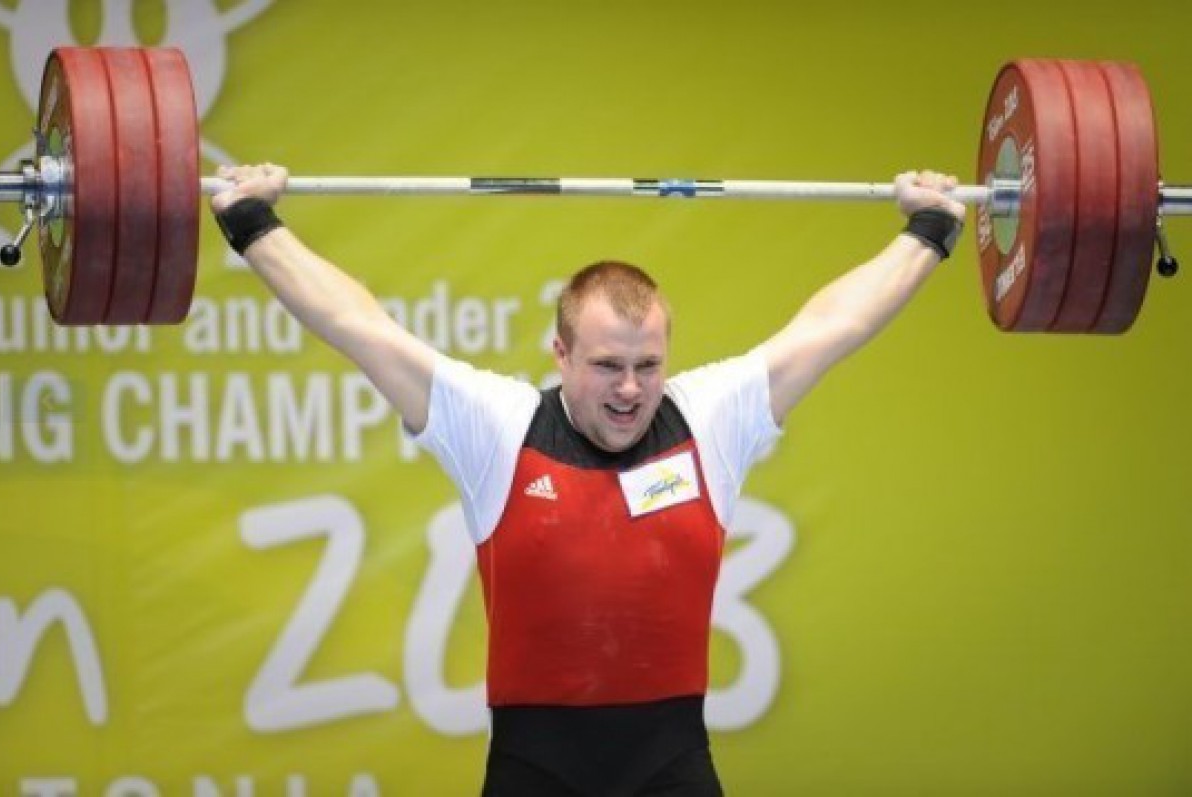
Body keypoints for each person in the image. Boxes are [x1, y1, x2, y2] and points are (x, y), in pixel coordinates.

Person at [210, 166, 965, 796]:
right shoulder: (498, 426)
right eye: (607, 365)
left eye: (647, 365)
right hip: (534, 771)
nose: (631, 389)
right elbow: (359, 326)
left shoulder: (709, 417)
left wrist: (929, 230)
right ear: (561, 355)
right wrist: (251, 221)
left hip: (671, 766)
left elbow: (832, 326)